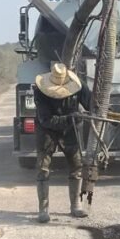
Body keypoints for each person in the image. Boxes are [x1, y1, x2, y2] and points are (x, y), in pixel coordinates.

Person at [32, 62, 93, 223]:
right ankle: (43, 209)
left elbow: (92, 104)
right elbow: (45, 119)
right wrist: (71, 118)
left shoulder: (78, 86)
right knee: (43, 168)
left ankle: (76, 206)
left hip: (70, 130)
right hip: (47, 131)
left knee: (77, 166)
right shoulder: (40, 90)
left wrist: (101, 110)